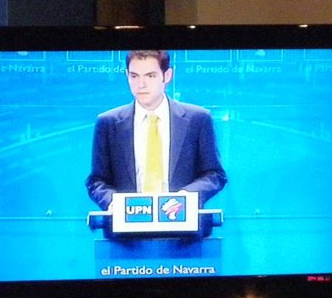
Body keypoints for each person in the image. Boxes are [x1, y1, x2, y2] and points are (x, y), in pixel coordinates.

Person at [86, 49, 227, 210]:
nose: (141, 85)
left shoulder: (198, 119)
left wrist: (184, 198)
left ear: (167, 76)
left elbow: (214, 175)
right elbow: (96, 181)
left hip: (181, 220)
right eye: (134, 76)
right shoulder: (108, 123)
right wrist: (114, 203)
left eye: (150, 76)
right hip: (128, 222)